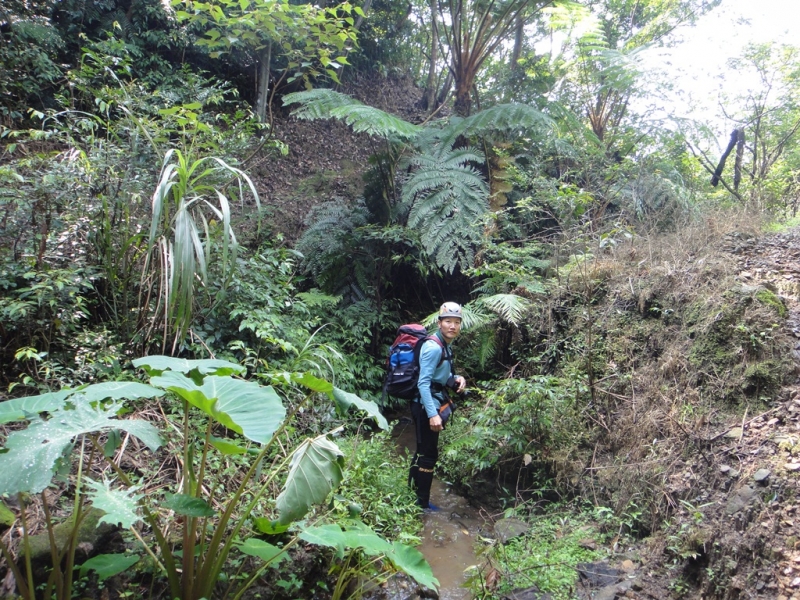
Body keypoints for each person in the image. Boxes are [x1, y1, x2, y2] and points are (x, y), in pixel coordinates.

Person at [408, 301, 467, 510]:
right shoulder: (433, 347)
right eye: (448, 321)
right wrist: (433, 415)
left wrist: (457, 378)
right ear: (439, 323)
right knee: (429, 455)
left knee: (422, 450)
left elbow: (440, 375)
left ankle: (412, 493)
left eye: (456, 322)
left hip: (428, 403)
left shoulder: (445, 345)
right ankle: (422, 504)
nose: (453, 326)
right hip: (425, 406)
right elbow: (423, 383)